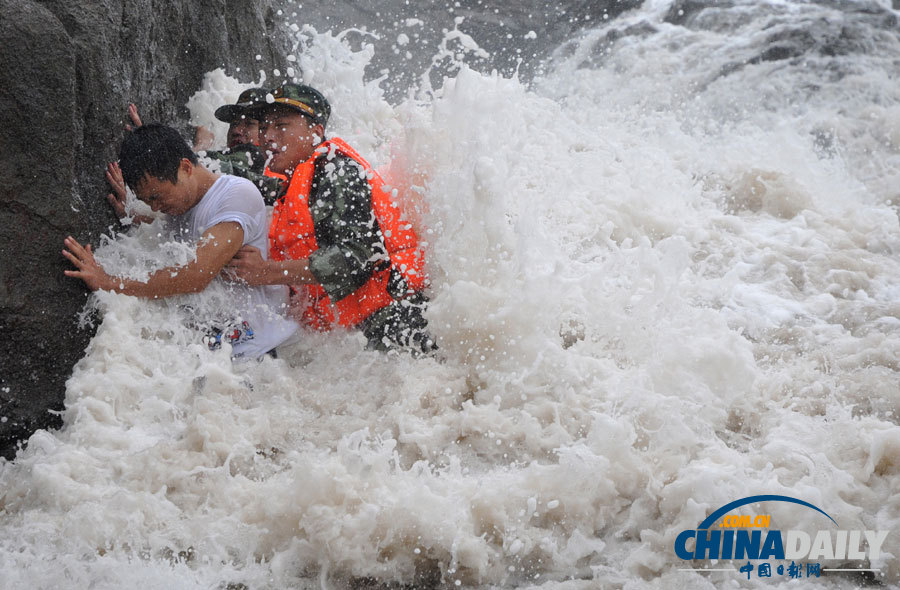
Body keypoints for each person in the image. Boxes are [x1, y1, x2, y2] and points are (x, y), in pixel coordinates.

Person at [227, 83, 435, 354]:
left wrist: (265, 272)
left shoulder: (337, 171)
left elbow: (355, 258)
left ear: (316, 132)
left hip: (395, 318)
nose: (268, 137)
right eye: (264, 127)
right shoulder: (291, 183)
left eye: (281, 125)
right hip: (354, 335)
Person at [64, 123, 298, 359]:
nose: (156, 207)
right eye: (147, 201)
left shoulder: (237, 195)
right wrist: (131, 215)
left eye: (156, 196)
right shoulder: (179, 208)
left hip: (257, 354)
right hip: (211, 358)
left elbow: (195, 276)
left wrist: (111, 283)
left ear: (185, 167)